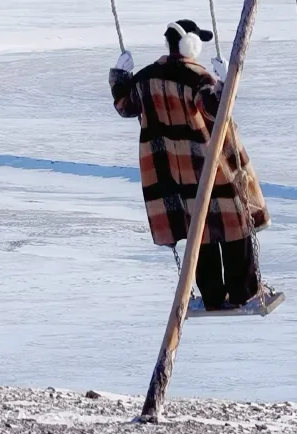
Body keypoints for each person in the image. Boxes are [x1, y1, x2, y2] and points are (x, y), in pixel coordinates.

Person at [109, 17, 279, 312]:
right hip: (210, 165)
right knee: (234, 224)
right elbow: (215, 108)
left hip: (170, 174)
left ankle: (212, 296)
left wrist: (119, 78)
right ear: (190, 43)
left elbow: (126, 106)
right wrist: (227, 83)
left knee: (197, 231)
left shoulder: (147, 77)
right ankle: (244, 293)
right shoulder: (198, 78)